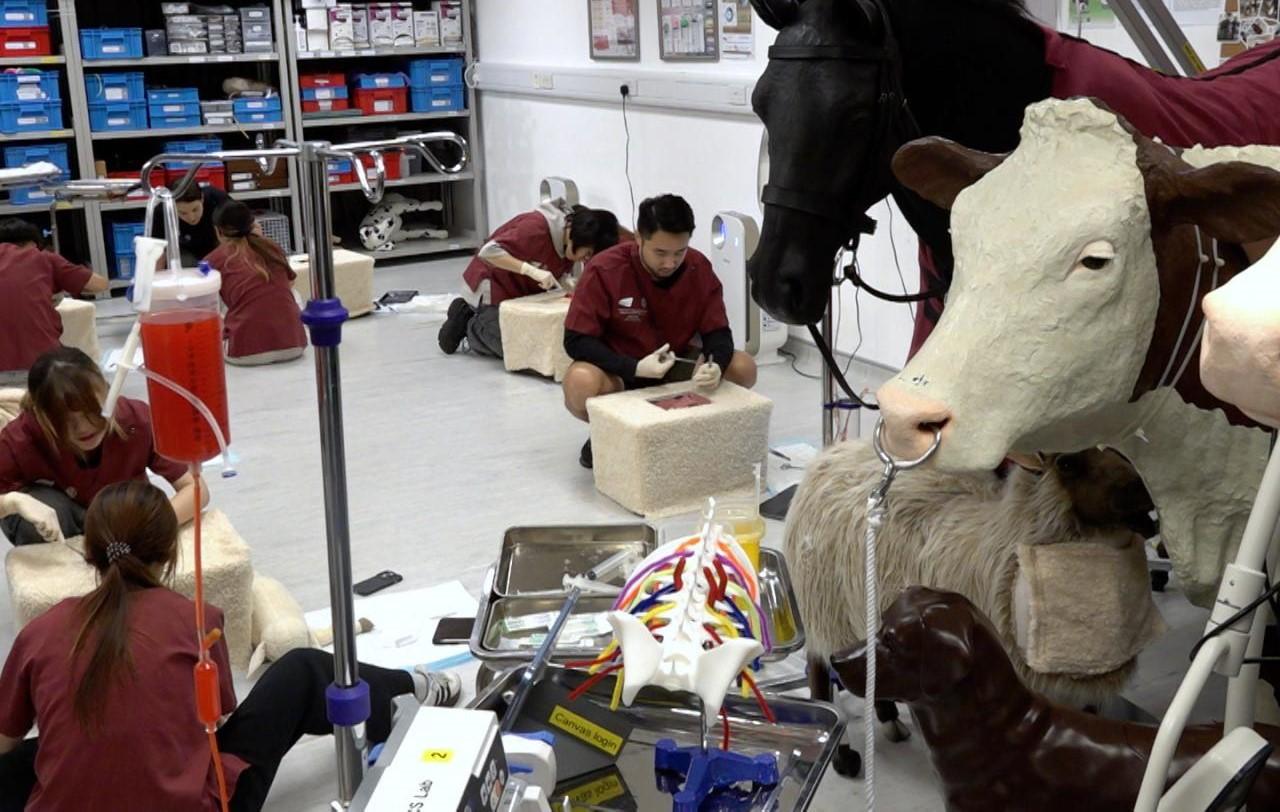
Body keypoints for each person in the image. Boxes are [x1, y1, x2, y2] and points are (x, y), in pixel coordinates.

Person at [0, 481, 461, 812]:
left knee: (59, 747)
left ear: (89, 552)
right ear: (171, 551)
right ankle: (413, 689)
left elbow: (5, 741)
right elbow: (214, 723)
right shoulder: (196, 620)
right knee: (303, 672)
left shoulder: (41, 632)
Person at [561, 194, 758, 468]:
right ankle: (607, 431)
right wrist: (633, 367)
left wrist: (715, 364)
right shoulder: (605, 269)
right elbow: (575, 340)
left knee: (742, 367)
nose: (670, 263)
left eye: (679, 252)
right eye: (660, 253)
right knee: (580, 383)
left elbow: (718, 331)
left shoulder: (698, 268)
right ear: (639, 239)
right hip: (619, 370)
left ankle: (689, 431)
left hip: (675, 364)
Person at [0, 347, 206, 546]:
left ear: (110, 392)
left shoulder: (137, 420)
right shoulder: (20, 440)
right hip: (62, 532)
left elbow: (196, 489)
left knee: (142, 507)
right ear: (40, 416)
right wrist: (12, 503)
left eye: (93, 411)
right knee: (32, 522)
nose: (84, 428)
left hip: (122, 520)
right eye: (64, 420)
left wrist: (148, 529)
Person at [437, 200, 622, 358]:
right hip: (491, 289)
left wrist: (568, 283)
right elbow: (488, 252)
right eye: (586, 254)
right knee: (515, 348)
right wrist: (530, 270)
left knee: (547, 340)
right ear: (580, 236)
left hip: (522, 295)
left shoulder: (569, 242)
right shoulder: (536, 228)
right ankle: (469, 323)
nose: (584, 260)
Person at [0, 218, 109, 386]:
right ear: (31, 243)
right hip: (42, 371)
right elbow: (100, 284)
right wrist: (57, 283)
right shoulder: (40, 258)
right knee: (91, 377)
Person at [205, 200, 307, 366]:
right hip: (294, 345)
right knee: (291, 293)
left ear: (218, 231)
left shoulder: (212, 260)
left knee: (214, 295)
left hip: (244, 353)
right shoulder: (272, 247)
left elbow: (203, 302)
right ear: (253, 224)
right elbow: (290, 283)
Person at [166, 182, 232, 264]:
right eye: (183, 213)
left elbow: (239, 236)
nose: (192, 218)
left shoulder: (219, 200)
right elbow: (159, 250)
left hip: (218, 244)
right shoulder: (162, 210)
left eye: (195, 209)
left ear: (202, 199)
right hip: (186, 249)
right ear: (172, 207)